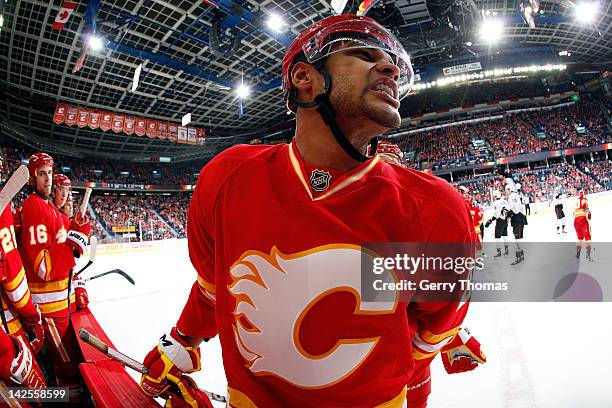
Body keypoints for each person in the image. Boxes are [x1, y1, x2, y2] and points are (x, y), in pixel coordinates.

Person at [140, 14, 479, 407]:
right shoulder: (226, 178)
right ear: (305, 79)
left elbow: (430, 331)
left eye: (390, 62)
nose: (389, 68)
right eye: (364, 55)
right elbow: (214, 291)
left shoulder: (437, 209)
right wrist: (180, 341)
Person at [18, 153, 91, 402]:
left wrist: (76, 288)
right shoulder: (34, 206)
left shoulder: (49, 209)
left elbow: (65, 265)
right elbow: (43, 267)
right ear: (32, 179)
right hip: (50, 308)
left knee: (69, 362)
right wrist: (74, 241)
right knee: (66, 368)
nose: (48, 179)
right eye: (42, 174)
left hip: (61, 304)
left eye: (50, 172)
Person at [0, 154, 47, 398]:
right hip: (6, 329)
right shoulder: (2, 205)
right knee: (36, 396)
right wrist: (33, 315)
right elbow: (11, 275)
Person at [486, 190, 510, 258]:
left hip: (500, 221)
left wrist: (491, 220)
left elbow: (496, 214)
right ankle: (506, 251)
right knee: (505, 236)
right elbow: (508, 210)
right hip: (505, 221)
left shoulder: (496, 203)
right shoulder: (505, 201)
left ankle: (499, 252)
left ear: (495, 196)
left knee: (497, 237)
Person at [507, 183, 526, 265]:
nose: (506, 192)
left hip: (517, 218)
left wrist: (507, 216)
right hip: (520, 218)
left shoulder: (511, 196)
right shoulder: (516, 195)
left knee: (517, 239)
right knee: (519, 238)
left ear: (509, 190)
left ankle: (519, 257)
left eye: (506, 190)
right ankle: (521, 256)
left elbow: (513, 208)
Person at [573, 191, 592, 260]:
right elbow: (585, 208)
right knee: (588, 237)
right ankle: (588, 254)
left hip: (575, 221)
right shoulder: (584, 199)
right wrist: (589, 215)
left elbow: (574, 212)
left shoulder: (576, 200)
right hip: (582, 220)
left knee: (580, 238)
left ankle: (578, 253)